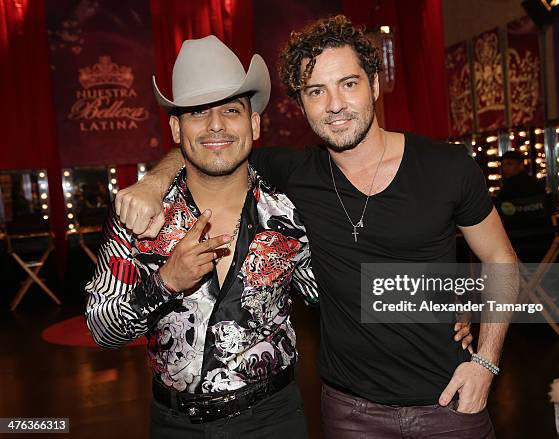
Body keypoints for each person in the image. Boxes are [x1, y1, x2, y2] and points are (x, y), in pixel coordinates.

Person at [115, 16, 516, 438]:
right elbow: (210, 145)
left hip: (450, 402)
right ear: (301, 103)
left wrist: (486, 362)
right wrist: (152, 182)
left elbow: (499, 256)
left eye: (348, 83)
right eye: (316, 91)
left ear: (375, 85)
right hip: (350, 413)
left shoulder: (446, 167)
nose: (335, 105)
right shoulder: (292, 175)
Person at [85, 36, 319, 439]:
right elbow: (101, 330)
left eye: (231, 109)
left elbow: (338, 297)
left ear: (255, 123)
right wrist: (165, 284)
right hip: (175, 425)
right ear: (177, 128)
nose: (215, 125)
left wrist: (442, 312)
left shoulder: (290, 214)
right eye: (197, 112)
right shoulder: (139, 216)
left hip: (274, 421)